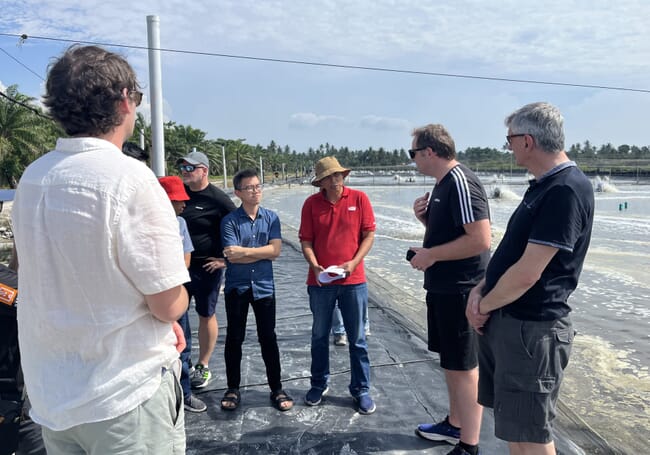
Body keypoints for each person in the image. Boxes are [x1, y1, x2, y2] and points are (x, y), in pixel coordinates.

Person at [11, 45, 190, 454]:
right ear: (124, 100)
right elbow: (166, 304)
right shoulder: (130, 179)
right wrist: (174, 306)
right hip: (123, 396)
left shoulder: (33, 178)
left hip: (53, 392)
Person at [466, 102, 594, 455]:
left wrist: (482, 306)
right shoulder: (543, 186)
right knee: (517, 431)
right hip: (515, 324)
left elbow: (528, 273)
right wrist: (482, 288)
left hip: (532, 329)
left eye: (509, 141)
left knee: (533, 436)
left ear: (527, 141)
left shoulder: (564, 190)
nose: (507, 149)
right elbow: (513, 251)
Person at [408, 124, 491, 455]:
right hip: (444, 286)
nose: (413, 160)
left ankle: (469, 444)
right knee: (452, 363)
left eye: (413, 153)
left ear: (429, 151)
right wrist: (427, 223)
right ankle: (455, 424)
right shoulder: (443, 184)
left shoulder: (460, 181)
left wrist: (430, 255)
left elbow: (480, 239)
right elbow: (456, 233)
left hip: (462, 289)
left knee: (465, 366)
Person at [299, 156, 377, 415]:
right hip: (321, 282)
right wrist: (315, 266)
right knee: (319, 336)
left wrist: (354, 263)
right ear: (320, 181)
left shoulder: (359, 199)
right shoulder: (311, 204)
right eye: (330, 176)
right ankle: (319, 384)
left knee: (357, 339)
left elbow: (369, 235)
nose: (336, 180)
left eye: (339, 174)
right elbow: (306, 241)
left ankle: (361, 389)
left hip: (354, 281)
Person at [219, 169, 294, 412]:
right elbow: (232, 255)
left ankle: (276, 388)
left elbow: (275, 252)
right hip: (237, 287)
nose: (256, 190)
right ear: (238, 192)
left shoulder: (271, 218)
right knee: (235, 338)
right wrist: (258, 253)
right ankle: (232, 388)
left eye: (258, 186)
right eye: (250, 187)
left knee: (268, 338)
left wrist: (245, 252)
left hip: (264, 287)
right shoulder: (229, 221)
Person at [178, 150, 236, 389]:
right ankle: (182, 362)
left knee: (205, 314)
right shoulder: (179, 196)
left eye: (190, 168)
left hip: (206, 267)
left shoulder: (218, 199)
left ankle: (202, 364)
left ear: (204, 170)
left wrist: (225, 260)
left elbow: (238, 226)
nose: (185, 172)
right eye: (182, 168)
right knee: (176, 314)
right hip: (179, 265)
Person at [158, 176, 208, 413]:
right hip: (154, 296)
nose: (183, 205)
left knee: (183, 345)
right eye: (178, 201)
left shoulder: (180, 224)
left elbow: (186, 258)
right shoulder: (147, 223)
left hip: (177, 292)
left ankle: (184, 393)